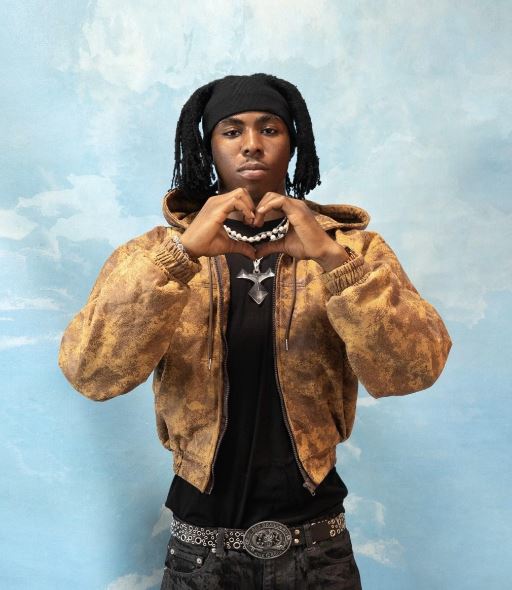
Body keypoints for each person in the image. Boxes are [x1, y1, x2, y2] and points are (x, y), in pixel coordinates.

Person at [58, 73, 452, 589]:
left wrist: (334, 261)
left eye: (269, 129)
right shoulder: (150, 255)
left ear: (294, 143)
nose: (251, 144)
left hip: (319, 549)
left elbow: (413, 371)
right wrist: (180, 258)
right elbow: (91, 373)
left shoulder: (356, 251)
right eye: (231, 130)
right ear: (207, 147)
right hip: (200, 554)